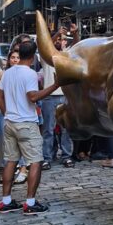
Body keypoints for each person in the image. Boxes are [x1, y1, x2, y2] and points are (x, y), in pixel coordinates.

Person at [0, 39, 59, 215]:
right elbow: (32, 97)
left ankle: (6, 201)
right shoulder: (29, 74)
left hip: (10, 122)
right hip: (26, 123)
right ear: (33, 56)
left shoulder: (7, 73)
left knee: (11, 161)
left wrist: (6, 111)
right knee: (35, 161)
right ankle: (30, 202)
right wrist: (54, 85)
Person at [40, 28, 76, 170]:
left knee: (65, 129)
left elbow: (77, 46)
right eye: (57, 40)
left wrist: (74, 34)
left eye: (60, 40)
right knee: (48, 129)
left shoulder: (66, 54)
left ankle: (66, 156)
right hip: (49, 97)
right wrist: (56, 35)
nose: (59, 42)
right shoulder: (45, 57)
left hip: (65, 96)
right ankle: (47, 157)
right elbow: (46, 43)